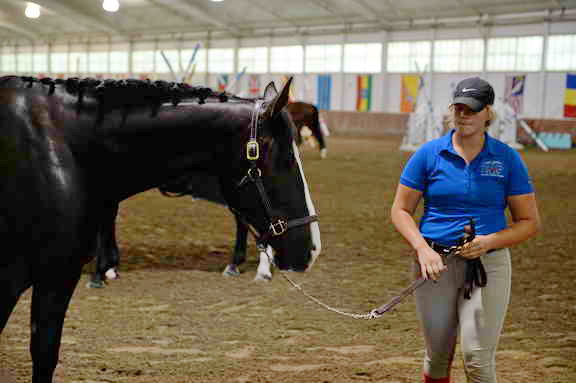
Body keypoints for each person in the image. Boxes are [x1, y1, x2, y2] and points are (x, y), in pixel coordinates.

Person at [390, 77, 541, 383]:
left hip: (489, 266)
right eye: (458, 108)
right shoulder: (428, 154)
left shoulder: (507, 158)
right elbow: (400, 210)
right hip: (434, 267)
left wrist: (489, 242)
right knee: (437, 357)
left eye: (471, 109)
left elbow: (529, 222)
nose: (464, 115)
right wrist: (422, 249)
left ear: (488, 112)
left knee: (476, 358)